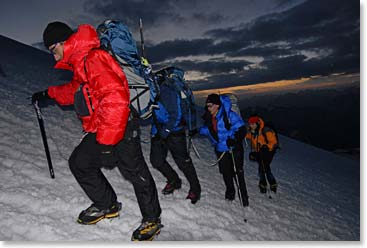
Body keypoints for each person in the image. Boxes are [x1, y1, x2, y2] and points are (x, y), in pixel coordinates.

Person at [31, 21, 162, 241]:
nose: (53, 56)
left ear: (64, 42)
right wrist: (49, 94)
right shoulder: (81, 61)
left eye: (53, 50)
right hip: (103, 127)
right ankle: (106, 204)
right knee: (80, 163)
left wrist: (106, 143)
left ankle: (152, 219)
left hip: (120, 127)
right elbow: (77, 90)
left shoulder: (93, 59)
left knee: (136, 173)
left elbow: (115, 100)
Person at [149, 72, 201, 204]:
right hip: (160, 130)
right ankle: (174, 180)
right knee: (156, 160)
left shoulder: (166, 89)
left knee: (183, 163)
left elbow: (176, 114)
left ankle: (196, 189)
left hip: (175, 132)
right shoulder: (152, 89)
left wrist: (165, 131)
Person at [199, 94, 249, 206]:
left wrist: (234, 139)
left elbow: (242, 130)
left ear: (217, 105)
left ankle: (244, 199)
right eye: (207, 106)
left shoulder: (229, 115)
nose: (208, 108)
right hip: (221, 150)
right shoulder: (209, 118)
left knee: (238, 172)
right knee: (226, 173)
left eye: (210, 105)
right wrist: (196, 132)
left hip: (234, 149)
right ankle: (230, 194)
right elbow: (208, 130)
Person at [246, 115, 278, 194]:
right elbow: (248, 135)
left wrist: (266, 147)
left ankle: (265, 184)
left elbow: (273, 142)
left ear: (257, 123)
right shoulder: (253, 132)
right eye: (250, 124)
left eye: (253, 124)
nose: (251, 126)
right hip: (260, 151)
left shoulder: (266, 131)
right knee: (264, 167)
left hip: (268, 152)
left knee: (263, 167)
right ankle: (271, 184)